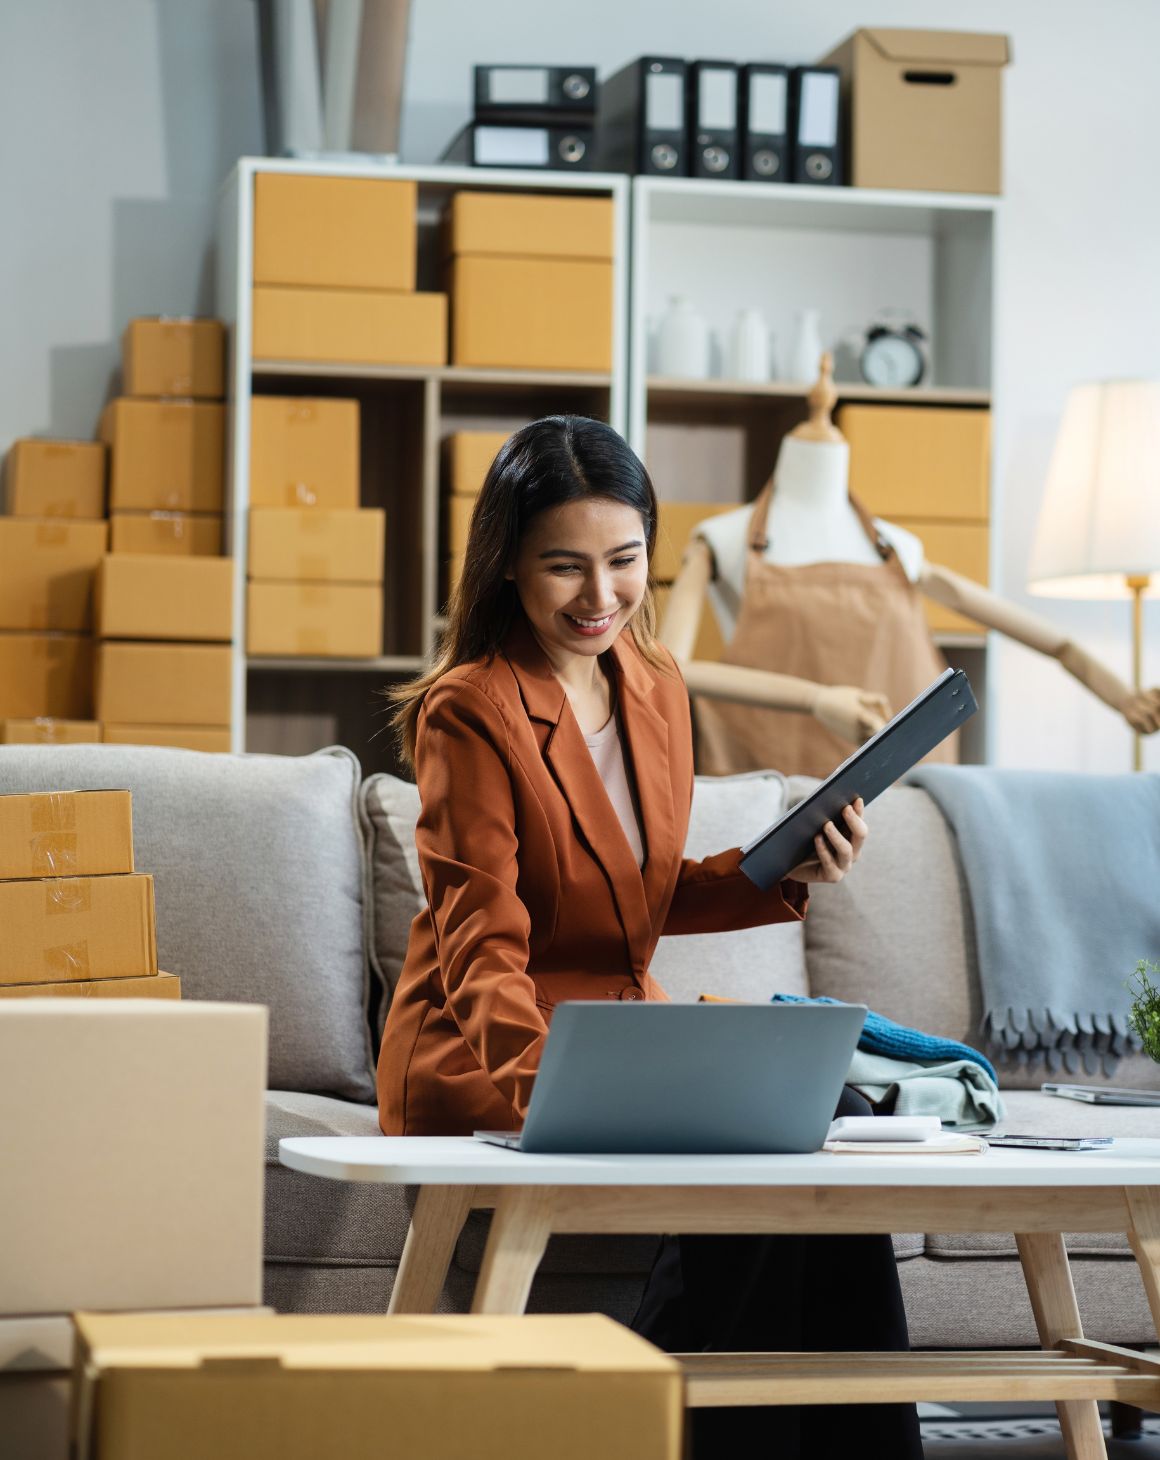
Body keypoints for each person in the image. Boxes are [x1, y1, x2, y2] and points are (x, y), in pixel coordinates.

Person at [377, 414, 923, 1460]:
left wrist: (783, 867)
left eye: (622, 562)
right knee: (745, 1120)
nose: (598, 598)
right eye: (563, 567)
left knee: (820, 1108)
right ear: (506, 566)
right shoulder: (471, 709)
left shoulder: (654, 680)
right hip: (488, 1043)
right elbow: (478, 938)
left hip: (622, 1034)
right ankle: (673, 1418)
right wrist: (560, 1097)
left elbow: (640, 889)